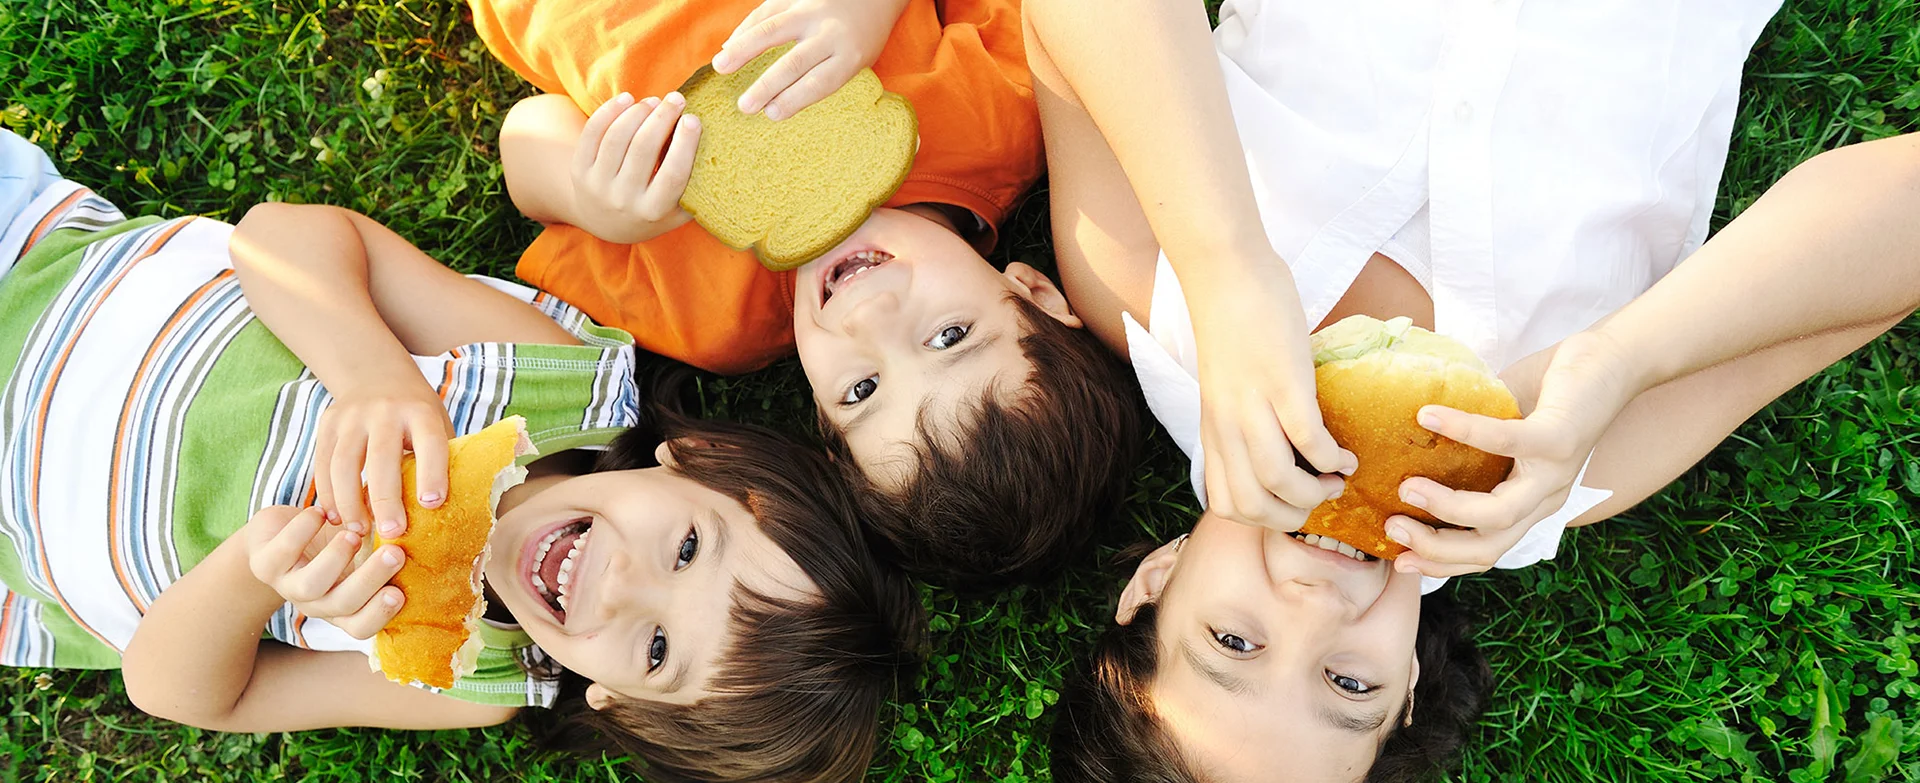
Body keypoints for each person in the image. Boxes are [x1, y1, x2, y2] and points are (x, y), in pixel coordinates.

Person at [1018, 0, 1920, 778]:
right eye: (1349, 684)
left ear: (1155, 583)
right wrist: (1619, 358)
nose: (1316, 604)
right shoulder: (1566, 466)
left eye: (1234, 642)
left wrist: (1225, 265)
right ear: (1409, 685)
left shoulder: (1146, 293)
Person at [0, 128, 920, 783]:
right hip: (31, 269)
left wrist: (254, 571)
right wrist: (371, 374)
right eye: (686, 548)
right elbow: (279, 233)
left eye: (655, 646)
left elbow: (183, 694)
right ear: (699, 463)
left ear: (612, 699)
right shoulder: (555, 386)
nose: (620, 582)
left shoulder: (464, 676)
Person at [473, 0, 1145, 590]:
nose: (869, 316)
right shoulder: (997, 119)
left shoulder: (713, 320)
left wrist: (598, 203)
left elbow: (526, 135)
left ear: (822, 417)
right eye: (950, 336)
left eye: (862, 390)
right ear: (1030, 290)